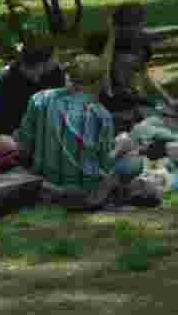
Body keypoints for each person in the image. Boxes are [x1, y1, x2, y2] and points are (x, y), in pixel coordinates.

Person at [12, 54, 158, 207]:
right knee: (134, 163)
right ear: (98, 83)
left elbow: (24, 146)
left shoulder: (39, 99)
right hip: (84, 187)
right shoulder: (100, 114)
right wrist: (121, 148)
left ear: (68, 76)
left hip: (44, 178)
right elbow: (104, 164)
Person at [92, 2, 178, 133]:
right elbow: (104, 75)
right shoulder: (108, 48)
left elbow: (144, 76)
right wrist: (112, 34)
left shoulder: (141, 44)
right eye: (139, 23)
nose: (142, 26)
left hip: (136, 103)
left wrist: (167, 99)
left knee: (171, 123)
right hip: (117, 109)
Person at [0, 46, 65, 137]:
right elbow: (1, 122)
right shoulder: (7, 84)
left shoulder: (55, 73)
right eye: (54, 58)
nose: (56, 61)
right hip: (18, 136)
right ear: (41, 64)